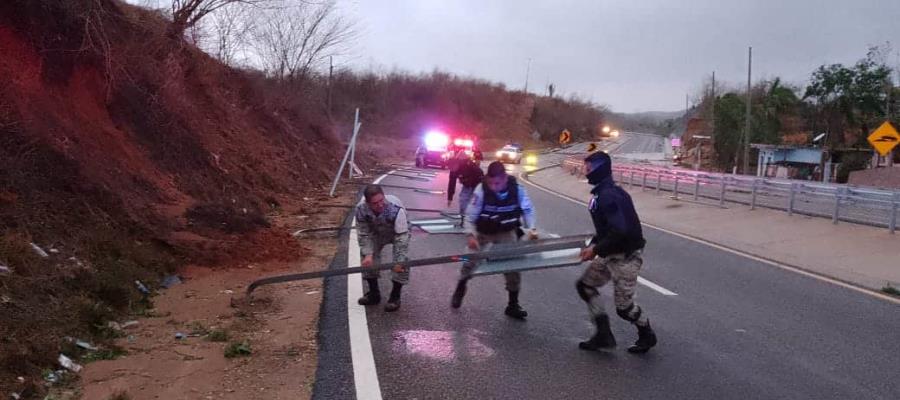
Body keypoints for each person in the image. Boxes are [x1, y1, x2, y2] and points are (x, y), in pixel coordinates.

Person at [576, 151, 657, 353]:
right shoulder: (602, 194)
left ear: (599, 169)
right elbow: (607, 230)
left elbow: (620, 232)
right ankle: (603, 333)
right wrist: (594, 245)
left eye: (589, 168)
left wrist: (595, 248)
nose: (586, 172)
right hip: (610, 252)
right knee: (585, 286)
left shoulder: (609, 196)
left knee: (624, 308)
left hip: (626, 257)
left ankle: (646, 333)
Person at [451, 161, 538, 319]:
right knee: (469, 260)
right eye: (490, 183)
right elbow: (470, 217)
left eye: (497, 183)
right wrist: (470, 235)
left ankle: (512, 304)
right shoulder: (481, 191)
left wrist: (531, 229)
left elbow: (527, 209)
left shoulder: (517, 190)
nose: (494, 187)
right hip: (484, 231)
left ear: (505, 178)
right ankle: (461, 286)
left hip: (506, 231)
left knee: (513, 266)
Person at [356, 184, 411, 312]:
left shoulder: (396, 209)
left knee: (401, 262)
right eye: (375, 203)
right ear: (367, 203)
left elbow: (402, 237)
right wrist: (368, 254)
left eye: (382, 200)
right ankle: (374, 294)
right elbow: (364, 233)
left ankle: (395, 296)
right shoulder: (361, 210)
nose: (380, 205)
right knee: (367, 258)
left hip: (398, 232)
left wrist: (400, 260)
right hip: (376, 232)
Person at [447, 150, 485, 219]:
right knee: (463, 199)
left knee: (468, 200)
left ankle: (467, 216)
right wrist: (450, 198)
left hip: (476, 182)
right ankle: (464, 215)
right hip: (467, 184)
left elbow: (480, 174)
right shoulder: (454, 168)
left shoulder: (468, 165)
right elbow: (452, 183)